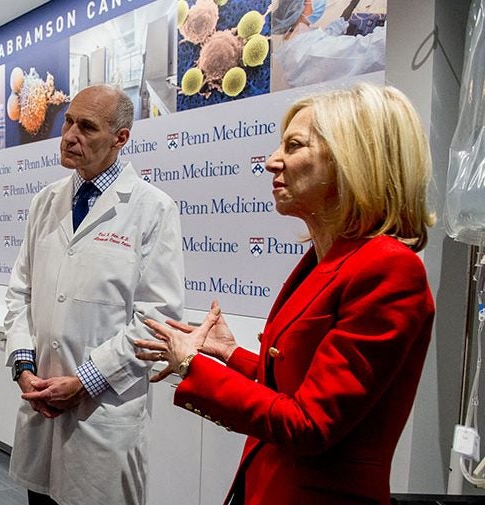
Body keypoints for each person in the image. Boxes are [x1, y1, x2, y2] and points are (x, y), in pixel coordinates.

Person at [136, 83, 435, 504]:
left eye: (293, 146)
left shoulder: (388, 269)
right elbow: (299, 386)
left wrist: (190, 365)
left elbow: (310, 424)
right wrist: (229, 355)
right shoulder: (327, 258)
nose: (272, 162)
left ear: (352, 160)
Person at [4, 84, 185, 505]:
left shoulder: (152, 209)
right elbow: (20, 293)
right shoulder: (45, 203)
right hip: (41, 401)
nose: (69, 135)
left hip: (103, 416)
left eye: (87, 127)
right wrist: (23, 366)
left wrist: (85, 382)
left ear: (121, 138)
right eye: (68, 121)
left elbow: (156, 318)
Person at [271, 0, 385, 89]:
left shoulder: (294, 41)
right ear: (305, 5)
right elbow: (370, 50)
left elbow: (327, 36)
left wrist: (346, 13)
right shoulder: (311, 51)